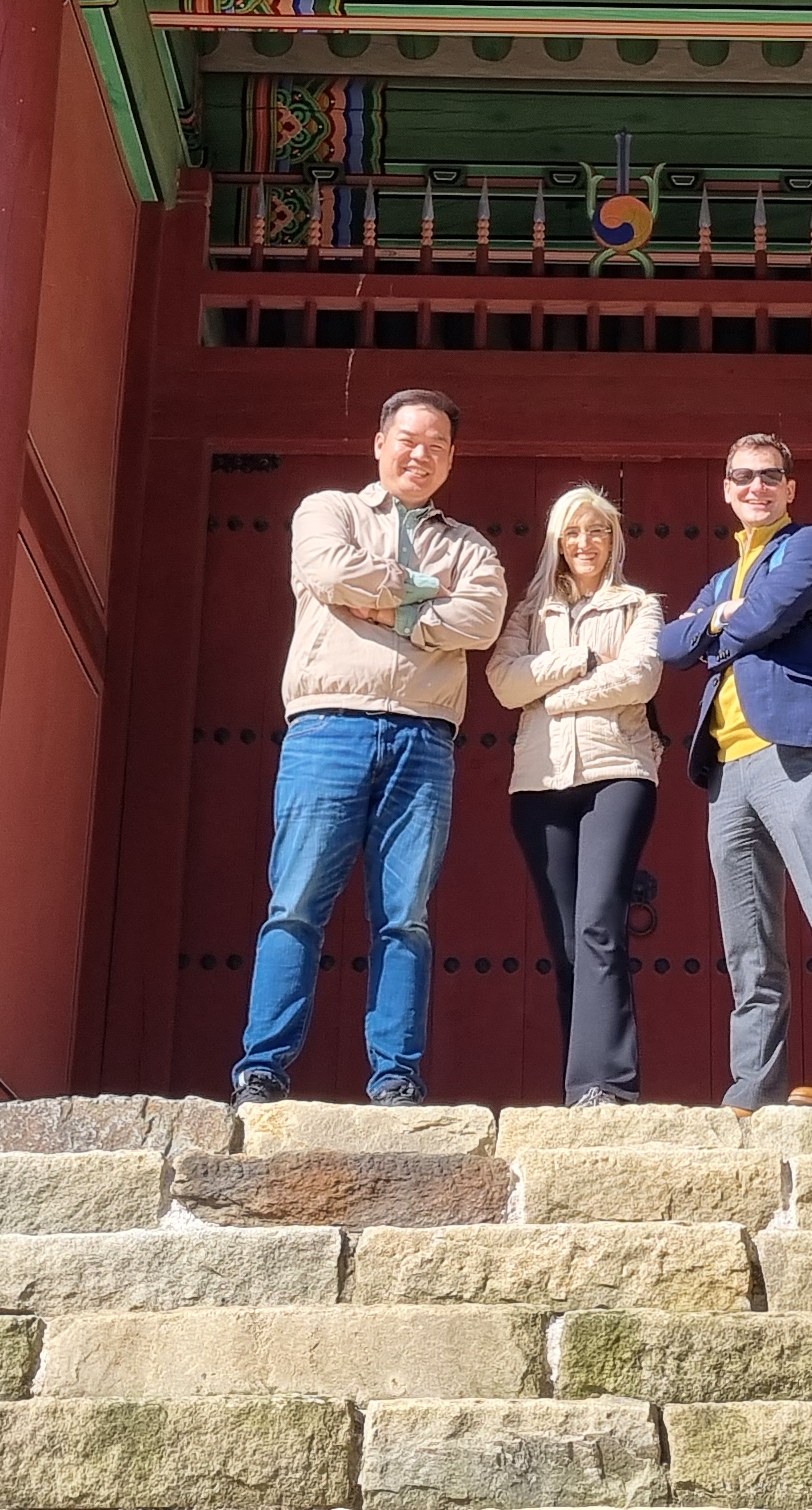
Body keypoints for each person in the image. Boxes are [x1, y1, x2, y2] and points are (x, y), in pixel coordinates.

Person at [233, 388, 506, 1106]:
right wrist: (424, 597)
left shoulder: (470, 546)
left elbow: (478, 620)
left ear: (452, 458)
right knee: (294, 902)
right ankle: (262, 1067)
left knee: (406, 916)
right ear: (380, 443)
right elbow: (329, 571)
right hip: (329, 726)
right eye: (409, 439)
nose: (421, 454)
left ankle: (395, 1077)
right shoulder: (329, 511)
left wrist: (384, 603)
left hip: (423, 736)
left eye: (437, 445)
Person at [662, 432, 812, 1108]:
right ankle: (753, 1087)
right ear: (726, 489)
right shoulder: (720, 578)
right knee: (748, 940)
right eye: (742, 477)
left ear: (791, 487)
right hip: (728, 769)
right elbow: (667, 646)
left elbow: (755, 623)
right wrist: (713, 622)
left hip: (796, 751)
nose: (755, 487)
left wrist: (713, 626)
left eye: (769, 476)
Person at [484, 485, 666, 1107]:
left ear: (613, 539)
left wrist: (554, 695)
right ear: (556, 544)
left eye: (597, 531)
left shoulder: (640, 605)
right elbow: (505, 684)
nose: (584, 544)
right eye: (572, 533)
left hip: (618, 774)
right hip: (538, 786)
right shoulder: (529, 613)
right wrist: (579, 659)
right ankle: (577, 1087)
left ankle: (608, 1085)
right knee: (566, 938)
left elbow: (640, 678)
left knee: (598, 927)